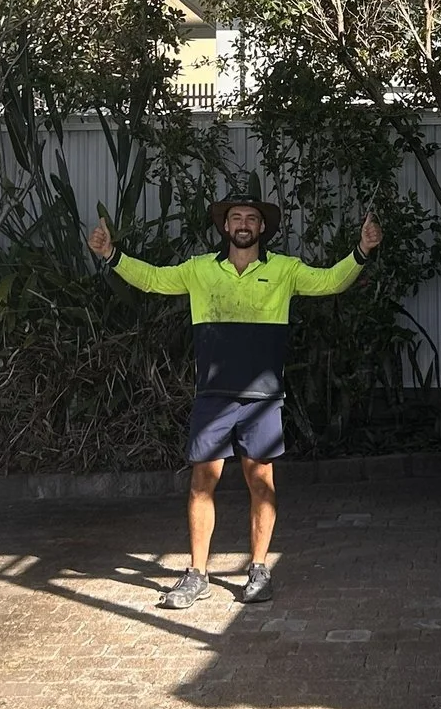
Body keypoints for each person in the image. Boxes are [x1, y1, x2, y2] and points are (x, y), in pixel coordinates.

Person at [89, 187, 380, 609]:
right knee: (201, 484)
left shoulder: (285, 270)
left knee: (261, 483)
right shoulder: (199, 270)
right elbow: (152, 280)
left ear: (262, 227)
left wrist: (362, 250)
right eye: (236, 218)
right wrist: (111, 255)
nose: (243, 225)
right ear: (225, 226)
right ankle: (197, 574)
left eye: (251, 218)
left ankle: (259, 569)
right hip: (213, 397)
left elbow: (331, 282)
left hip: (262, 399)